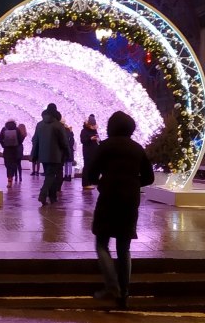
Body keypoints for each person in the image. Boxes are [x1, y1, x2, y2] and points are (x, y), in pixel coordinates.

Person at [83, 110, 155, 310]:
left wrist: (101, 180)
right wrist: (133, 182)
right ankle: (124, 293)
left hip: (109, 197)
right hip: (130, 200)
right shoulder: (137, 149)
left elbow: (91, 172)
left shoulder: (105, 147)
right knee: (124, 248)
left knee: (101, 242)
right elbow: (149, 177)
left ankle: (111, 285)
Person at [30, 102, 69, 206]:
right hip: (56, 155)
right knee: (51, 175)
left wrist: (35, 154)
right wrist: (68, 153)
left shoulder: (39, 124)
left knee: (49, 174)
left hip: (43, 155)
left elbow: (35, 140)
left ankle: (53, 197)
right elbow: (64, 142)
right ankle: (43, 195)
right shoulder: (58, 125)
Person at [0, 119, 24, 188]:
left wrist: (4, 145)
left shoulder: (4, 129)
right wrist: (16, 145)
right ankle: (11, 178)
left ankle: (9, 180)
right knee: (13, 165)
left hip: (6, 150)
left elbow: (0, 139)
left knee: (8, 165)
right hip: (14, 150)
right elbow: (20, 140)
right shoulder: (17, 129)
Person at [80, 114, 100, 189]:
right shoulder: (84, 131)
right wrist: (90, 139)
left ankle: (92, 181)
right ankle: (85, 183)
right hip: (87, 151)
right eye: (92, 125)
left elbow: (98, 139)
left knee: (93, 167)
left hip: (95, 151)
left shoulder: (94, 130)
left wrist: (98, 139)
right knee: (87, 167)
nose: (93, 126)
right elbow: (83, 141)